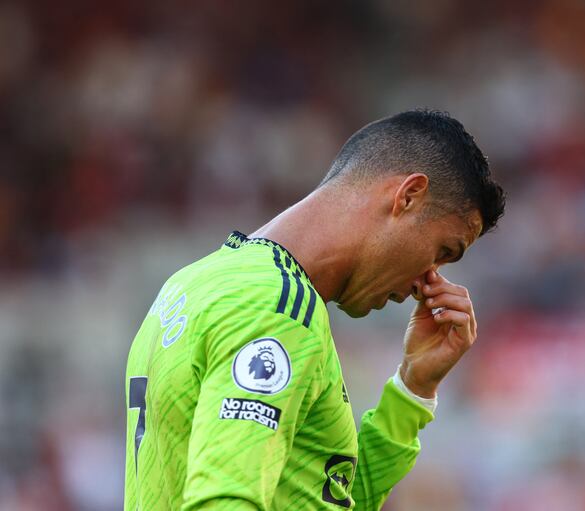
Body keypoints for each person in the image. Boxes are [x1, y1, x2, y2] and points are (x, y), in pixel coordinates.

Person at [124, 109, 505, 510]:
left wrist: (413, 389)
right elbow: (223, 502)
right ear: (408, 196)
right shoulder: (277, 307)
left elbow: (324, 498)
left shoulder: (196, 281)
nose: (426, 282)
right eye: (443, 251)